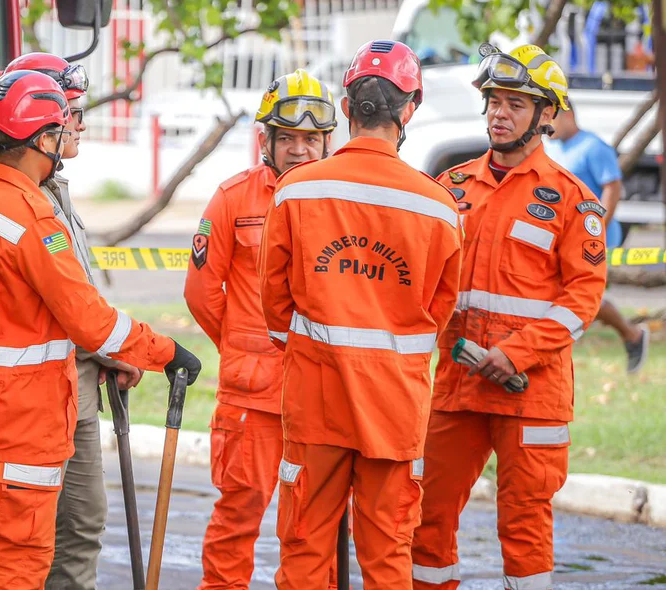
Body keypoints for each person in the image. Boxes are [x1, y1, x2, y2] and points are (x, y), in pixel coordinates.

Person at [0, 70, 202, 589]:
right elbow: (89, 321)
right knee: (22, 555)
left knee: (8, 538)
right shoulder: (35, 221)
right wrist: (164, 352)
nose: (64, 140)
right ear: (39, 139)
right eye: (57, 131)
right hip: (27, 415)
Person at [260, 40, 463, 588]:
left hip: (316, 397)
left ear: (346, 109)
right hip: (395, 407)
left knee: (304, 549)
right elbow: (440, 309)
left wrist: (307, 347)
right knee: (388, 555)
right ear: (409, 110)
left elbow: (274, 303)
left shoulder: (295, 190)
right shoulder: (439, 207)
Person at [411, 44, 608, 590]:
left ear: (548, 114)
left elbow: (581, 301)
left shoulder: (573, 202)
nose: (500, 112)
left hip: (531, 393)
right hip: (456, 388)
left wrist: (515, 353)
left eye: (516, 103)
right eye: (495, 101)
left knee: (524, 528)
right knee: (426, 519)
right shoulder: (449, 189)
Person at [184, 69, 340, 590]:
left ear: (327, 141)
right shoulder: (232, 199)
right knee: (238, 518)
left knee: (311, 529)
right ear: (265, 140)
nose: (300, 150)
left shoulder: (345, 199)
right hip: (252, 399)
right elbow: (202, 294)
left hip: (322, 394)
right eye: (289, 138)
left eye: (311, 139)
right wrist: (242, 346)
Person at [0, 52, 134, 590]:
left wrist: (111, 356)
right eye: (71, 112)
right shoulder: (29, 204)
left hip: (78, 382)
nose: (79, 124)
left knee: (73, 528)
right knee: (44, 538)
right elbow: (72, 308)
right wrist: (137, 351)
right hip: (47, 394)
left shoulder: (52, 193)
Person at [546, 104, 650, 374]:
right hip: (560, 235)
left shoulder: (594, 147)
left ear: (568, 115)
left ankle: (632, 335)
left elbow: (612, 188)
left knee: (581, 294)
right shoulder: (550, 147)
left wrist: (597, 229)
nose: (547, 125)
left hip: (593, 237)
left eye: (552, 117)